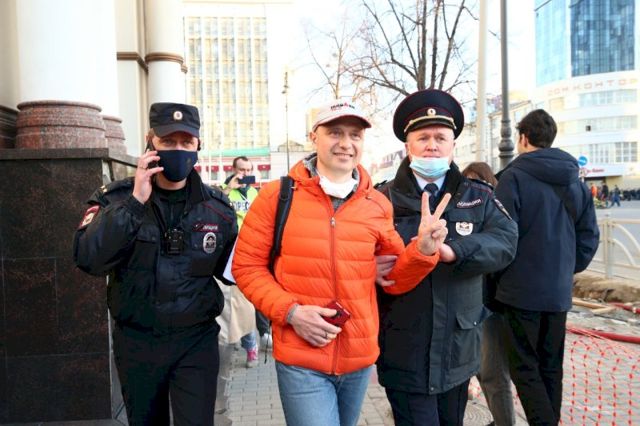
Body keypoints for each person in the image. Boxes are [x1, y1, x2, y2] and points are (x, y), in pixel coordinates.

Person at [232, 100, 451, 426]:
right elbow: (246, 267)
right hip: (302, 356)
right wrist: (291, 312)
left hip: (357, 360)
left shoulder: (377, 204)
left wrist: (423, 250)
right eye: (335, 132)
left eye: (355, 135)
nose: (346, 143)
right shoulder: (277, 196)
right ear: (314, 137)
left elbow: (395, 278)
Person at [73, 102, 237, 426]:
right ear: (151, 142)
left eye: (186, 142)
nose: (178, 150)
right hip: (138, 342)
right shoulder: (116, 200)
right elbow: (89, 258)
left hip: (196, 341)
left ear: (198, 146)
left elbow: (234, 270)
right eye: (168, 141)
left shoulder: (217, 209)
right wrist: (135, 203)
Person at [375, 89, 518, 426]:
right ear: (408, 146)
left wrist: (454, 251)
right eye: (423, 137)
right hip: (404, 345)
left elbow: (505, 241)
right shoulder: (381, 198)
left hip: (458, 347)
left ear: (453, 144)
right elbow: (354, 251)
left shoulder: (478, 196)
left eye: (440, 137)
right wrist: (369, 266)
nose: (432, 145)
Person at [493, 109, 599, 425]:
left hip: (519, 292)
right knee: (551, 366)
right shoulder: (575, 181)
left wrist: (499, 279)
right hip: (557, 292)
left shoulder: (512, 178)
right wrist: (565, 268)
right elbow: (589, 236)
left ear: (523, 138)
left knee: (524, 368)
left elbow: (500, 237)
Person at [461, 162, 516, 426]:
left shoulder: (497, 213)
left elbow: (502, 254)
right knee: (467, 372)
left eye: (479, 182)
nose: (475, 189)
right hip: (464, 307)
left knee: (493, 374)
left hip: (490, 307)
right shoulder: (458, 212)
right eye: (469, 182)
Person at [220, 156, 269, 367]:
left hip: (251, 250)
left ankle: (255, 341)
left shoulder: (254, 193)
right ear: (233, 170)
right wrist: (227, 189)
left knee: (250, 299)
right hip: (229, 252)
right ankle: (242, 340)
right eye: (241, 170)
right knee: (234, 301)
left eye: (249, 170)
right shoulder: (224, 191)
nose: (245, 174)